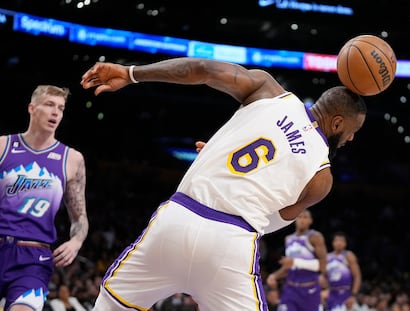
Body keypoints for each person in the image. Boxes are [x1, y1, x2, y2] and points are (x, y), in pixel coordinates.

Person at [80, 57, 367, 311]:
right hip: (231, 245)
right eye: (354, 132)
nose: (352, 139)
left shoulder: (268, 91)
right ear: (338, 123)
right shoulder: (322, 178)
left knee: (110, 306)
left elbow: (201, 69)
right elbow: (271, 222)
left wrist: (131, 73)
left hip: (176, 220)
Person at [0, 85, 89, 311]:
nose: (55, 112)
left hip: (32, 259)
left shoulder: (72, 159)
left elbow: (80, 218)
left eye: (60, 108)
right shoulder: (3, 146)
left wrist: (76, 242)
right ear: (32, 108)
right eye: (49, 105)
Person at [266, 209, 327, 311]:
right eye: (299, 217)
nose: (302, 220)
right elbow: (288, 267)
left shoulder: (315, 237)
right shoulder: (288, 239)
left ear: (310, 220)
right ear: (295, 220)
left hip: (309, 290)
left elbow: (323, 265)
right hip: (290, 288)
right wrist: (274, 276)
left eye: (305, 217)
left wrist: (295, 262)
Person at [324, 232, 362, 311]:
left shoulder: (349, 256)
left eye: (342, 241)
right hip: (331, 293)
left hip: (345, 293)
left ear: (345, 244)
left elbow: (357, 276)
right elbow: (324, 277)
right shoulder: (327, 257)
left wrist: (353, 295)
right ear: (333, 243)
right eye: (337, 240)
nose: (339, 243)